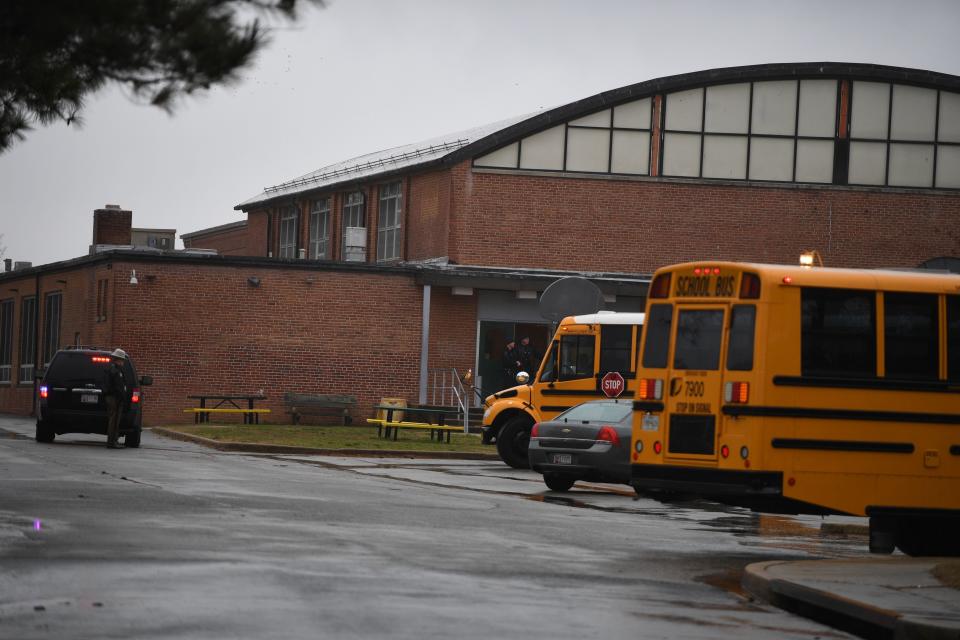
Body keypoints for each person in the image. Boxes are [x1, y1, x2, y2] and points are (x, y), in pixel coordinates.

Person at [104, 356, 127, 448]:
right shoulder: (115, 371)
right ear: (118, 360)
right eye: (122, 360)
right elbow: (118, 387)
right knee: (114, 421)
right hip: (114, 398)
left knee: (113, 420)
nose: (123, 362)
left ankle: (113, 441)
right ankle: (112, 442)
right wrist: (122, 397)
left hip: (112, 397)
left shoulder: (112, 369)